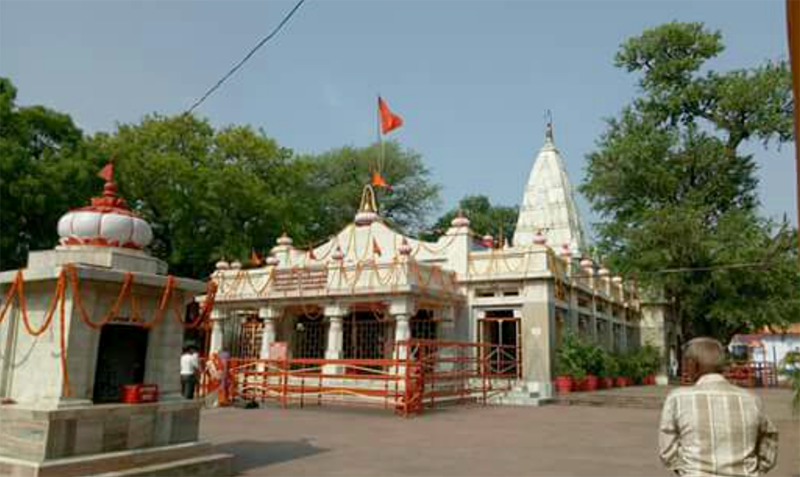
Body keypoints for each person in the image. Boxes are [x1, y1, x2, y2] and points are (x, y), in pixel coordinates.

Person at [659, 337, 779, 476]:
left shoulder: (677, 398)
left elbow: (667, 450)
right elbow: (769, 437)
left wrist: (685, 470)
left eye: (685, 363)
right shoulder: (750, 399)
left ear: (693, 365)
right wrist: (758, 469)